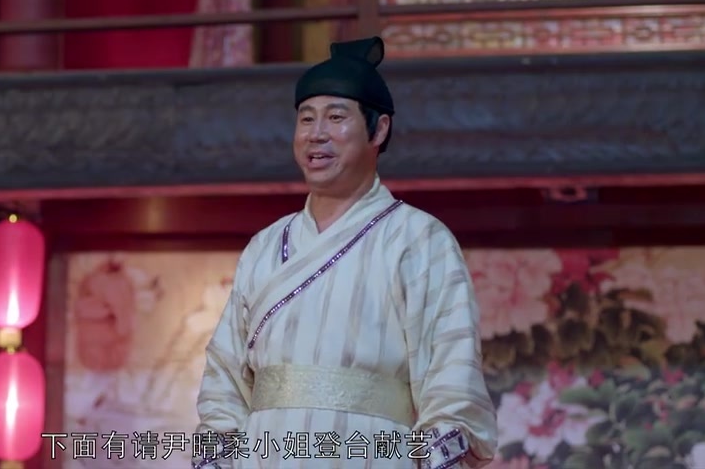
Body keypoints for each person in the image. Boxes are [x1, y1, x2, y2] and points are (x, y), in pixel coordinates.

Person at [192, 36, 497, 469]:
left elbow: (452, 376)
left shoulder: (419, 239)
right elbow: (224, 378)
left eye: (336, 117)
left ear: (379, 129)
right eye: (306, 118)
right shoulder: (264, 246)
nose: (316, 134)